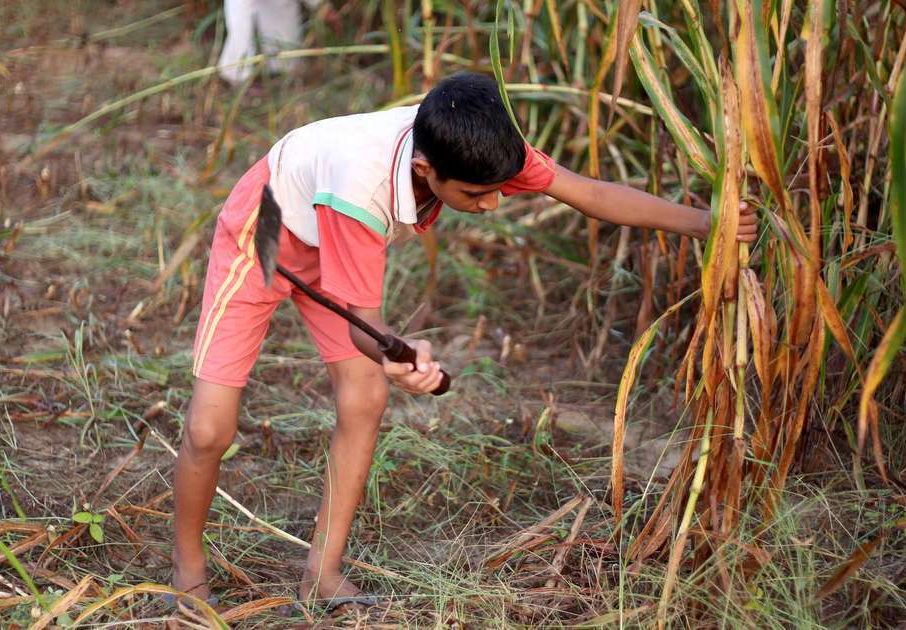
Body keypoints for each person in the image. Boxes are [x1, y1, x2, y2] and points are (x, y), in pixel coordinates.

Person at [172, 72, 757, 612]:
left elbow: (589, 194)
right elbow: (363, 325)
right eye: (478, 195)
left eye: (501, 189)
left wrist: (708, 223)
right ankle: (187, 572)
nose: (494, 203)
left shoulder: (479, 145)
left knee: (365, 399)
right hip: (268, 236)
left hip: (337, 245)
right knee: (210, 428)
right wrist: (401, 354)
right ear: (426, 169)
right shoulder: (361, 183)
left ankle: (321, 573)